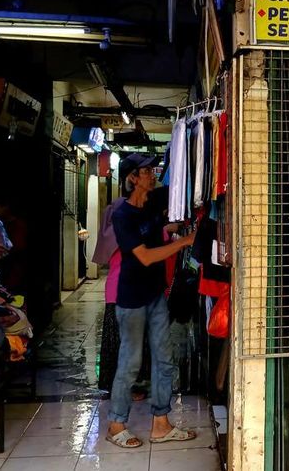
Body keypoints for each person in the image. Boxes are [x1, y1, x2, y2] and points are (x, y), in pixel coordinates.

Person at [105, 154, 197, 448]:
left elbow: (184, 188)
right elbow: (143, 256)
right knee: (130, 362)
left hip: (156, 294)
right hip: (131, 299)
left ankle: (161, 424)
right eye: (146, 171)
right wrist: (183, 241)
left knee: (164, 359)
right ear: (132, 178)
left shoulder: (155, 201)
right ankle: (116, 424)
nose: (152, 174)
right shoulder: (121, 216)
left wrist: (172, 229)